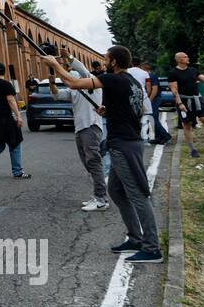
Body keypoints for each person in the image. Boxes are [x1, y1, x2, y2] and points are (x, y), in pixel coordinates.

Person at [45, 46, 163, 264]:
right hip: (126, 142)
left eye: (107, 59)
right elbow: (134, 109)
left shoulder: (113, 79)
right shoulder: (131, 82)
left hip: (124, 144)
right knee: (116, 191)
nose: (104, 62)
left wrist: (55, 65)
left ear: (115, 62)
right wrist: (109, 110)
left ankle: (152, 247)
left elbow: (73, 83)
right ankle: (135, 238)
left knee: (137, 193)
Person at [58, 47, 108, 212]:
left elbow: (83, 70)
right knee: (88, 163)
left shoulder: (90, 81)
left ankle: (101, 199)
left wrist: (69, 58)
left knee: (93, 162)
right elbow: (58, 95)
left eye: (71, 70)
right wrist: (52, 81)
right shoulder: (74, 90)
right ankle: (97, 194)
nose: (69, 72)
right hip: (80, 129)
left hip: (91, 126)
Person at [168, 52, 204, 158]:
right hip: (184, 101)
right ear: (179, 59)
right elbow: (174, 90)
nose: (188, 58)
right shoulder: (173, 73)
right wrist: (180, 103)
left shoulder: (193, 70)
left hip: (197, 99)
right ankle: (192, 150)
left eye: (187, 56)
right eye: (185, 57)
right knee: (187, 124)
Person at [141, 60, 172, 145]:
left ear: (143, 68)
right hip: (152, 98)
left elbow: (154, 89)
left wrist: (149, 100)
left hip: (154, 98)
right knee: (153, 118)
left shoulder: (151, 76)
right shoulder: (147, 76)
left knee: (152, 118)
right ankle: (159, 137)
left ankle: (165, 135)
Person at [127, 56, 153, 142]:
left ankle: (133, 136)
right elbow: (149, 89)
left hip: (130, 97)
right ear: (140, 64)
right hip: (143, 97)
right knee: (146, 117)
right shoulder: (145, 73)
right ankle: (144, 137)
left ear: (130, 63)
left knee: (131, 117)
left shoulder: (126, 71)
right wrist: (146, 96)